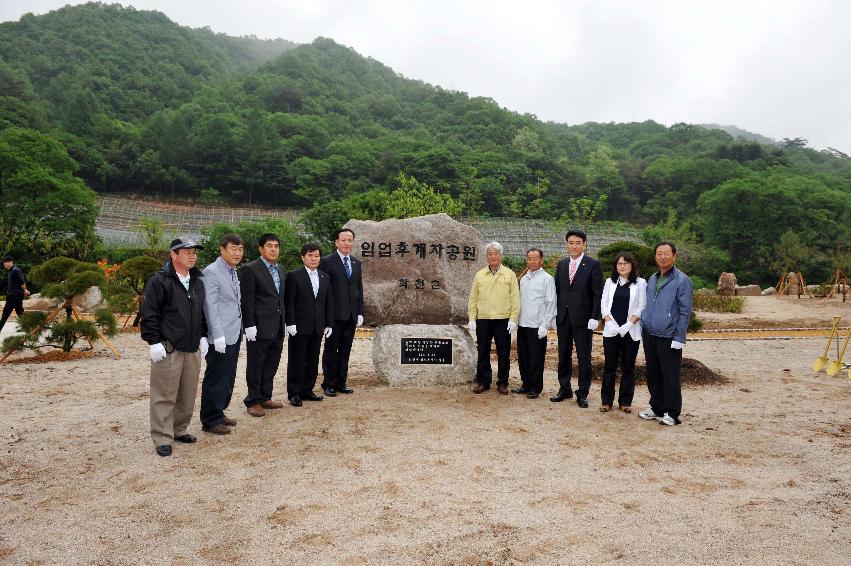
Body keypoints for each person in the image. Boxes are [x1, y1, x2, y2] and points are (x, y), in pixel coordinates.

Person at [140, 238, 208, 457]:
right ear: (173, 254)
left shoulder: (197, 280)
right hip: (169, 346)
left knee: (187, 393)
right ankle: (162, 436)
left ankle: (179, 429)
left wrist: (204, 336)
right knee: (164, 394)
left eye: (194, 251)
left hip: (192, 345)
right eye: (186, 251)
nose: (192, 255)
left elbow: (200, 312)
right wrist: (153, 341)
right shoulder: (160, 281)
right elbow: (149, 313)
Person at [639, 242, 693, 426]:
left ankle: (672, 412)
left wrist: (679, 337)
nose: (662, 257)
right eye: (659, 253)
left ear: (674, 256)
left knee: (670, 375)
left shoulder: (682, 280)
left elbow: (685, 311)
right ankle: (656, 407)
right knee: (653, 373)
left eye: (666, 254)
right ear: (655, 256)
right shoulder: (652, 278)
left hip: (669, 335)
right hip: (650, 333)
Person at [551, 229, 603, 408]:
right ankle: (564, 389)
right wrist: (554, 314)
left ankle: (582, 393)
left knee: (583, 357)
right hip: (563, 318)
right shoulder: (562, 264)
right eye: (571, 243)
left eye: (578, 243)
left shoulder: (592, 264)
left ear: (584, 244)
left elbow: (597, 293)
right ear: (567, 244)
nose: (574, 246)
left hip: (583, 319)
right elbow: (557, 291)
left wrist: (595, 316)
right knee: (563, 355)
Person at [200, 233, 244, 435]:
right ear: (222, 249)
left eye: (240, 249)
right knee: (216, 376)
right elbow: (211, 306)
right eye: (233, 249)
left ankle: (219, 412)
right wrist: (217, 335)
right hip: (220, 336)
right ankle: (209, 419)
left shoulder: (232, 270)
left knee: (228, 375)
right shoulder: (212, 272)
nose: (237, 253)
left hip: (234, 332)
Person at [240, 233, 287, 417]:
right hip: (258, 326)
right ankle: (252, 400)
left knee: (271, 363)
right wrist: (249, 324)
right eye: (269, 246)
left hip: (277, 326)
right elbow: (247, 300)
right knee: (256, 364)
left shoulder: (280, 269)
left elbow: (280, 298)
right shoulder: (251, 269)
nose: (273, 249)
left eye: (276, 246)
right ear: (261, 249)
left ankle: (265, 396)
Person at [284, 243, 334, 407]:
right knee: (297, 359)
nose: (314, 259)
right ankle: (294, 393)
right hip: (299, 326)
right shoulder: (294, 275)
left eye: (317, 256)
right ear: (303, 257)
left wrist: (329, 323)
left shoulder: (324, 277)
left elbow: (328, 302)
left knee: (313, 359)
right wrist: (290, 323)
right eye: (310, 255)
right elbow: (289, 302)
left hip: (318, 326)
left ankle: (307, 390)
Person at [467, 241, 520, 395]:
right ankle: (483, 381)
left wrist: (513, 319)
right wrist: (472, 318)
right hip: (483, 319)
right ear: (486, 256)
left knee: (503, 352)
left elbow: (515, 299)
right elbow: (473, 299)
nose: (493, 256)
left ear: (500, 256)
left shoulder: (509, 274)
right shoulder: (479, 275)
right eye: (490, 254)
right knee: (482, 350)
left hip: (503, 319)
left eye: (496, 253)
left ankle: (503, 382)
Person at [319, 228, 364, 397]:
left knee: (345, 351)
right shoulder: (327, 262)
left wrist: (360, 312)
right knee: (331, 350)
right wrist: (325, 316)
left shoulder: (356, 263)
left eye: (350, 240)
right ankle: (328, 383)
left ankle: (340, 382)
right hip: (334, 316)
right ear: (336, 242)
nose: (347, 243)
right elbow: (324, 290)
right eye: (343, 240)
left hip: (351, 316)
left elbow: (359, 289)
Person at [599, 252, 646, 413]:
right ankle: (606, 401)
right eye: (619, 264)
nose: (622, 266)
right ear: (615, 266)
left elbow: (641, 306)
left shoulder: (640, 283)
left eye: (626, 263)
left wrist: (629, 323)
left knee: (628, 367)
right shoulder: (609, 282)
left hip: (630, 331)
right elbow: (603, 303)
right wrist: (608, 321)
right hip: (611, 331)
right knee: (609, 367)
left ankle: (625, 401)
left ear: (632, 265)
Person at [512, 248, 556, 399]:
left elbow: (551, 303)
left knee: (536, 358)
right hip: (523, 324)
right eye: (529, 258)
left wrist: (545, 325)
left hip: (538, 326)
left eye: (535, 258)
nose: (532, 261)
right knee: (523, 356)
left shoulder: (547, 279)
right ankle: (525, 384)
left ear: (541, 260)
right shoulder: (524, 279)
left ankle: (535, 387)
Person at [1, 255, 29, 333]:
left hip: (15, 296)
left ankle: (28, 326)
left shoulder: (15, 270)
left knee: (8, 313)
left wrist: (25, 290)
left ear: (10, 262)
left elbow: (22, 282)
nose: (4, 264)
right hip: (11, 295)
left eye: (5, 263)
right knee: (18, 312)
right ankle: (27, 327)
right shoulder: (10, 271)